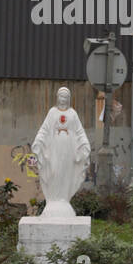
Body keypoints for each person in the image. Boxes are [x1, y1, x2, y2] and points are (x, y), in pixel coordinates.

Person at [30, 87, 91, 217]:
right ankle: (53, 200)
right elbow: (44, 130)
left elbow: (80, 132)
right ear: (57, 98)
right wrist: (39, 141)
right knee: (54, 171)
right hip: (54, 149)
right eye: (61, 97)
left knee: (66, 172)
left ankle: (63, 199)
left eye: (65, 98)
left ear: (68, 99)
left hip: (68, 150)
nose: (63, 100)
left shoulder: (73, 114)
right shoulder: (52, 113)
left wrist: (84, 144)